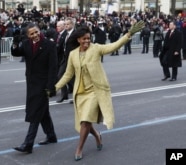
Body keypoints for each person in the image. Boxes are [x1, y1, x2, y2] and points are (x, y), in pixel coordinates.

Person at [55, 21, 145, 161]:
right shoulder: (73, 54)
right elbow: (68, 74)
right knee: (85, 120)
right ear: (78, 39)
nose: (87, 41)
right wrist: (55, 87)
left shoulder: (96, 48)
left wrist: (128, 34)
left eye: (88, 38)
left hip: (94, 91)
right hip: (80, 93)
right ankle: (97, 135)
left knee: (85, 121)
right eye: (84, 38)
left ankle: (79, 148)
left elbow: (113, 46)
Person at [11, 23, 58, 154]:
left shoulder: (49, 45)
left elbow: (53, 68)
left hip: (44, 85)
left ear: (39, 30)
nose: (35, 35)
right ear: (28, 35)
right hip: (31, 83)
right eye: (31, 34)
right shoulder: (26, 44)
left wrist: (50, 86)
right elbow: (16, 53)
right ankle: (51, 135)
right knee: (42, 111)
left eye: (36, 32)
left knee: (36, 111)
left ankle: (28, 143)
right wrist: (15, 43)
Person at [56, 17, 76, 103]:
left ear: (72, 24)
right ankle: (64, 95)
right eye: (65, 24)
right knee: (60, 75)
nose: (66, 26)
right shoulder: (66, 34)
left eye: (68, 24)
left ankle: (76, 96)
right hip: (65, 59)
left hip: (73, 59)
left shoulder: (75, 34)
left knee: (73, 79)